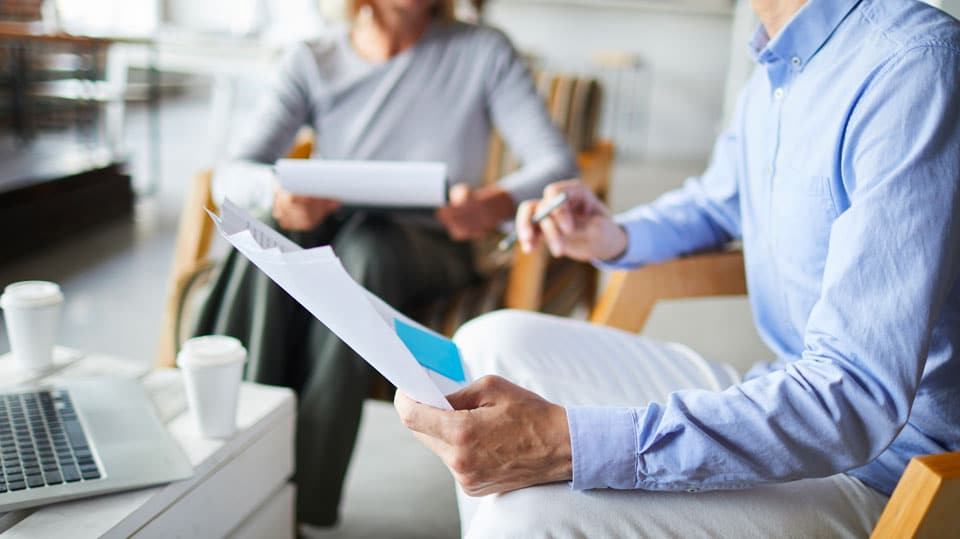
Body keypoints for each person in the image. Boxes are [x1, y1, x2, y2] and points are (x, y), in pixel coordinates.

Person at [395, 0, 960, 535]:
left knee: (531, 515)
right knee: (490, 339)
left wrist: (569, 444)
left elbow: (854, 394)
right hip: (785, 385)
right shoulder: (778, 58)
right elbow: (719, 199)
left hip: (891, 469)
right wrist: (612, 234)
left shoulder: (914, 69)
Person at [193, 0, 577, 527]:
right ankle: (236, 476)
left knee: (366, 249)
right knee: (278, 235)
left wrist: (492, 204)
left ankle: (303, 506)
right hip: (339, 231)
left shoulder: (482, 50)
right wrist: (276, 193)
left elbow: (555, 163)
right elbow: (231, 172)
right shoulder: (313, 58)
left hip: (430, 245)